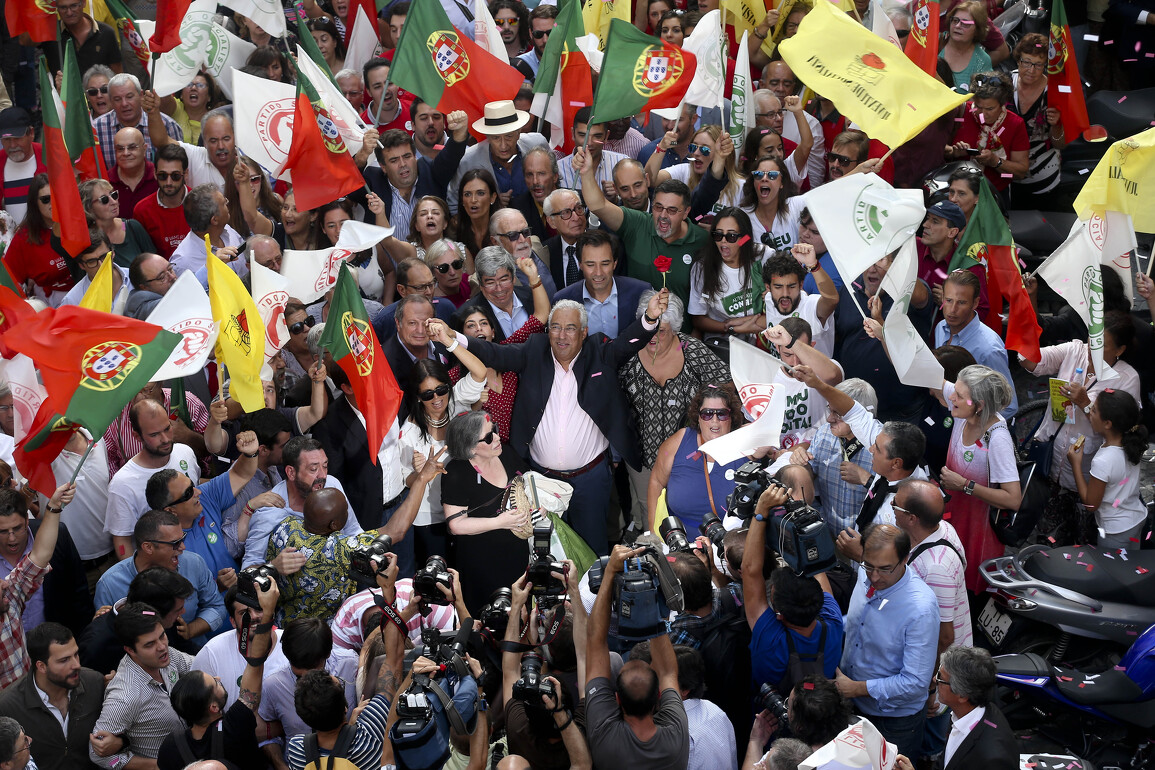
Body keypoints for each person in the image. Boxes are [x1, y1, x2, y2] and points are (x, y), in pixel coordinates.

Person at [464, 291, 669, 556]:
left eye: (570, 328)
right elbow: (493, 354)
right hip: (541, 479)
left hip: (591, 479)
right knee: (544, 551)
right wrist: (453, 340)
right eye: (556, 328)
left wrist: (650, 317)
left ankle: (591, 598)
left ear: (583, 333)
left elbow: (628, 343)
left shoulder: (599, 352)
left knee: (592, 550)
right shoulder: (534, 351)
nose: (561, 336)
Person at [1019, 311, 1140, 544]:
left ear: (1120, 350)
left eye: (1101, 346)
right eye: (1090, 341)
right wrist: (1024, 319)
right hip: (1051, 463)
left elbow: (1120, 426)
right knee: (1048, 537)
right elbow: (1033, 361)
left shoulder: (1127, 378)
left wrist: (1085, 403)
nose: (1090, 350)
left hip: (1087, 472)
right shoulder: (1074, 350)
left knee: (1082, 541)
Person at [835, 524, 939, 758]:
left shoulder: (920, 609)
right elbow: (855, 624)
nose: (873, 577)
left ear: (905, 559)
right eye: (868, 566)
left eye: (884, 569)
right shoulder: (869, 573)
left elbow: (914, 682)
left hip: (893, 722)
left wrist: (857, 688)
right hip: (854, 706)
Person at [155, 578, 277, 770]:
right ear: (213, 707)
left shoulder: (170, 747)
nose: (219, 677)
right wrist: (267, 613)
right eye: (215, 683)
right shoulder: (235, 728)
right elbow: (255, 665)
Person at [584, 544, 689, 768]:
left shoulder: (605, 738)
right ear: (659, 696)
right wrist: (648, 596)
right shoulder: (675, 738)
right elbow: (669, 671)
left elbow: (595, 643)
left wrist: (611, 572)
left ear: (617, 700)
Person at [580, 146, 709, 312]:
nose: (663, 215)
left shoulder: (701, 240)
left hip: (680, 332)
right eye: (658, 207)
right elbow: (598, 205)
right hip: (637, 330)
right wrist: (586, 171)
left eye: (671, 210)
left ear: (686, 212)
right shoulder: (638, 223)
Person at [400, 320, 487, 561]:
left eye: (441, 390)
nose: (437, 398)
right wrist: (421, 474)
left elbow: (480, 372)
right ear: (418, 398)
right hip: (430, 519)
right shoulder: (409, 432)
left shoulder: (457, 401)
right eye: (428, 394)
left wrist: (448, 341)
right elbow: (405, 480)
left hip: (469, 510)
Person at [744, 485, 844, 694]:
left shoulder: (770, 640)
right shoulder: (833, 624)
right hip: (818, 711)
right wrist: (801, 519)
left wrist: (761, 511)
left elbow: (750, 571)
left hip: (772, 719)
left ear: (778, 614)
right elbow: (817, 565)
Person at [933, 365, 1022, 593]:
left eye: (959, 396)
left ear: (980, 406)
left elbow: (1013, 499)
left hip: (977, 534)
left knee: (966, 592)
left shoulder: (998, 438)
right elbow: (923, 372)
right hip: (952, 520)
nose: (951, 397)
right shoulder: (965, 408)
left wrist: (965, 485)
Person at [440, 412, 531, 614]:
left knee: (520, 613)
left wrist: (537, 505)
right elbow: (456, 525)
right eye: (489, 437)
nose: (497, 438)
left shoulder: (507, 454)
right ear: (470, 447)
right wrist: (499, 522)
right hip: (480, 562)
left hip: (517, 555)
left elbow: (528, 485)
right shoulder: (457, 472)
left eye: (495, 430)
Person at [94, 510, 228, 647]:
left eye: (183, 538)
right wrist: (103, 621)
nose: (183, 547)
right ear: (148, 547)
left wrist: (191, 630)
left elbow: (216, 605)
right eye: (175, 543)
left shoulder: (194, 563)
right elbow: (106, 635)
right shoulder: (109, 584)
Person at [88, 603, 194, 769]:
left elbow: (198, 665)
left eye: (162, 636)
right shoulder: (124, 697)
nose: (161, 647)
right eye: (149, 644)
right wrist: (157, 766)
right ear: (130, 650)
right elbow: (98, 755)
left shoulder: (168, 655)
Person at [104, 398, 202, 559]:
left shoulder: (185, 452)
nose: (164, 439)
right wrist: (139, 578)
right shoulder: (122, 484)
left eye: (167, 428)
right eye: (154, 434)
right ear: (137, 436)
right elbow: (122, 540)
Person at [0, 622, 105, 770]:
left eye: (76, 654)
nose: (76, 665)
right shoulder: (8, 706)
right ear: (41, 666)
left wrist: (119, 742)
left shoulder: (95, 683)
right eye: (64, 660)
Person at [893, 647, 1018, 770]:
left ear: (962, 695)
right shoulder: (963, 715)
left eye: (940, 677)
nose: (934, 679)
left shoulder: (992, 758)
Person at [648, 384, 747, 533]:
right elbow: (656, 482)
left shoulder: (746, 442)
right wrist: (654, 534)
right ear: (698, 418)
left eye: (722, 414)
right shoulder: (679, 442)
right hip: (683, 545)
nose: (715, 420)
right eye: (707, 414)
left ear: (731, 417)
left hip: (730, 545)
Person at [0, 484, 91, 638]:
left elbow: (78, 595)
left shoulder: (58, 538)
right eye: (2, 531)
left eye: (17, 528)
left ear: (27, 520)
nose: (12, 538)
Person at [1067, 389, 1148, 550]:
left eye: (1094, 410)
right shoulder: (1131, 442)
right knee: (1130, 566)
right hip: (1136, 518)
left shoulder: (1103, 460)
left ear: (1108, 423)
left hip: (1115, 531)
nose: (1090, 412)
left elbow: (1091, 505)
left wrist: (1075, 464)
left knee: (1113, 571)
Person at [933, 270, 1018, 419]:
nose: (952, 310)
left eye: (961, 302)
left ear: (976, 303)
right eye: (948, 300)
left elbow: (1009, 406)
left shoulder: (989, 349)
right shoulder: (941, 327)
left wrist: (972, 425)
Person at [554, 229, 651, 340]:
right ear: (580, 264)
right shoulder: (563, 300)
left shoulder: (640, 292)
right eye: (590, 265)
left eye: (605, 264)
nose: (598, 272)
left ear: (615, 263)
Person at [944, 72, 1029, 194]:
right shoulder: (960, 111)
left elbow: (1021, 171)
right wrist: (954, 152)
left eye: (990, 109)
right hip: (956, 192)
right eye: (978, 106)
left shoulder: (1015, 124)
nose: (982, 114)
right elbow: (936, 148)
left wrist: (995, 162)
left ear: (1002, 104)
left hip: (994, 194)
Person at [689, 208, 766, 343]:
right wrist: (731, 327)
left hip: (763, 336)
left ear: (744, 239)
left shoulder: (763, 256)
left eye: (731, 236)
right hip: (723, 341)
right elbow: (698, 318)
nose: (723, 241)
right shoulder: (702, 267)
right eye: (718, 235)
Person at [1009, 33, 1067, 202]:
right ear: (1018, 60)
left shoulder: (1054, 94)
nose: (1031, 70)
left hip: (1042, 180)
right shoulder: (1005, 84)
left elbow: (1061, 144)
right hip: (1007, 177)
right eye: (1026, 62)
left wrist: (1057, 125)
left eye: (1038, 65)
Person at [2, 174, 74, 305]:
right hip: (50, 304)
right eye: (46, 199)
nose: (52, 203)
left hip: (86, 292)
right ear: (35, 203)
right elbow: (8, 281)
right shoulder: (25, 237)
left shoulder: (75, 222)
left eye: (56, 197)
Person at [93, 75, 184, 172]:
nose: (124, 104)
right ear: (110, 101)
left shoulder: (168, 126)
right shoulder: (96, 129)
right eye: (117, 99)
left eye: (129, 97)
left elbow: (181, 167)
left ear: (141, 95)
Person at [763, 244, 838, 356]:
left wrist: (814, 265)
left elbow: (831, 299)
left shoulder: (811, 307)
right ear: (768, 288)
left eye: (792, 286)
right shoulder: (769, 300)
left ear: (801, 285)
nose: (785, 294)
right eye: (778, 287)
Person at [79, 178, 156, 269]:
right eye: (104, 200)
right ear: (89, 207)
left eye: (114, 195)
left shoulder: (132, 226)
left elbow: (155, 263)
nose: (114, 202)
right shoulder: (86, 241)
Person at [133, 144, 190, 259]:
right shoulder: (142, 210)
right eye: (162, 175)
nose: (169, 182)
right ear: (155, 174)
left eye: (175, 176)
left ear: (186, 174)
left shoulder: (200, 202)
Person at [741, 155, 806, 253]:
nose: (764, 178)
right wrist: (747, 239)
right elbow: (737, 246)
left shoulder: (796, 206)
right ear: (754, 182)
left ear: (781, 183)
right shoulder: (744, 217)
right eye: (758, 174)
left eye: (772, 175)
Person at [558, 108, 631, 192]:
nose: (589, 143)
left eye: (597, 136)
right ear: (573, 134)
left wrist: (616, 199)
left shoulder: (621, 164)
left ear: (606, 136)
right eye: (582, 135)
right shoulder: (559, 169)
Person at [59, 229, 131, 313]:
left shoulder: (134, 276)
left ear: (113, 253)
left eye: (104, 257)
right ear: (81, 265)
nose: (101, 265)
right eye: (92, 261)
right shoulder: (73, 301)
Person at [0, 107, 45, 224]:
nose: (13, 145)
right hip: (10, 240)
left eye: (18, 138)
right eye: (7, 139)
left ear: (31, 133)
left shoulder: (49, 158)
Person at [939, 1, 993, 92]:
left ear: (977, 30)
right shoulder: (936, 43)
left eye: (965, 23)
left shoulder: (982, 60)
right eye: (955, 20)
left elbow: (981, 100)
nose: (958, 26)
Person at [544, 188, 590, 292]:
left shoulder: (604, 245)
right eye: (566, 212)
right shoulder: (546, 252)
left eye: (579, 208)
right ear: (551, 222)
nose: (576, 217)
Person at [109, 127, 158, 216]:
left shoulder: (161, 177)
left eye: (132, 147)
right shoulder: (106, 182)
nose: (126, 153)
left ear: (144, 149)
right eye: (120, 149)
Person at [453, 169, 500, 259]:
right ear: (462, 200)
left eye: (480, 193)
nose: (473, 200)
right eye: (467, 194)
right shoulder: (455, 231)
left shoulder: (505, 229)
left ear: (492, 198)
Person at [424, 238, 472, 307]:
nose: (452, 272)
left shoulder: (470, 283)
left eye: (456, 264)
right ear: (432, 272)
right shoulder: (432, 302)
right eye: (443, 268)